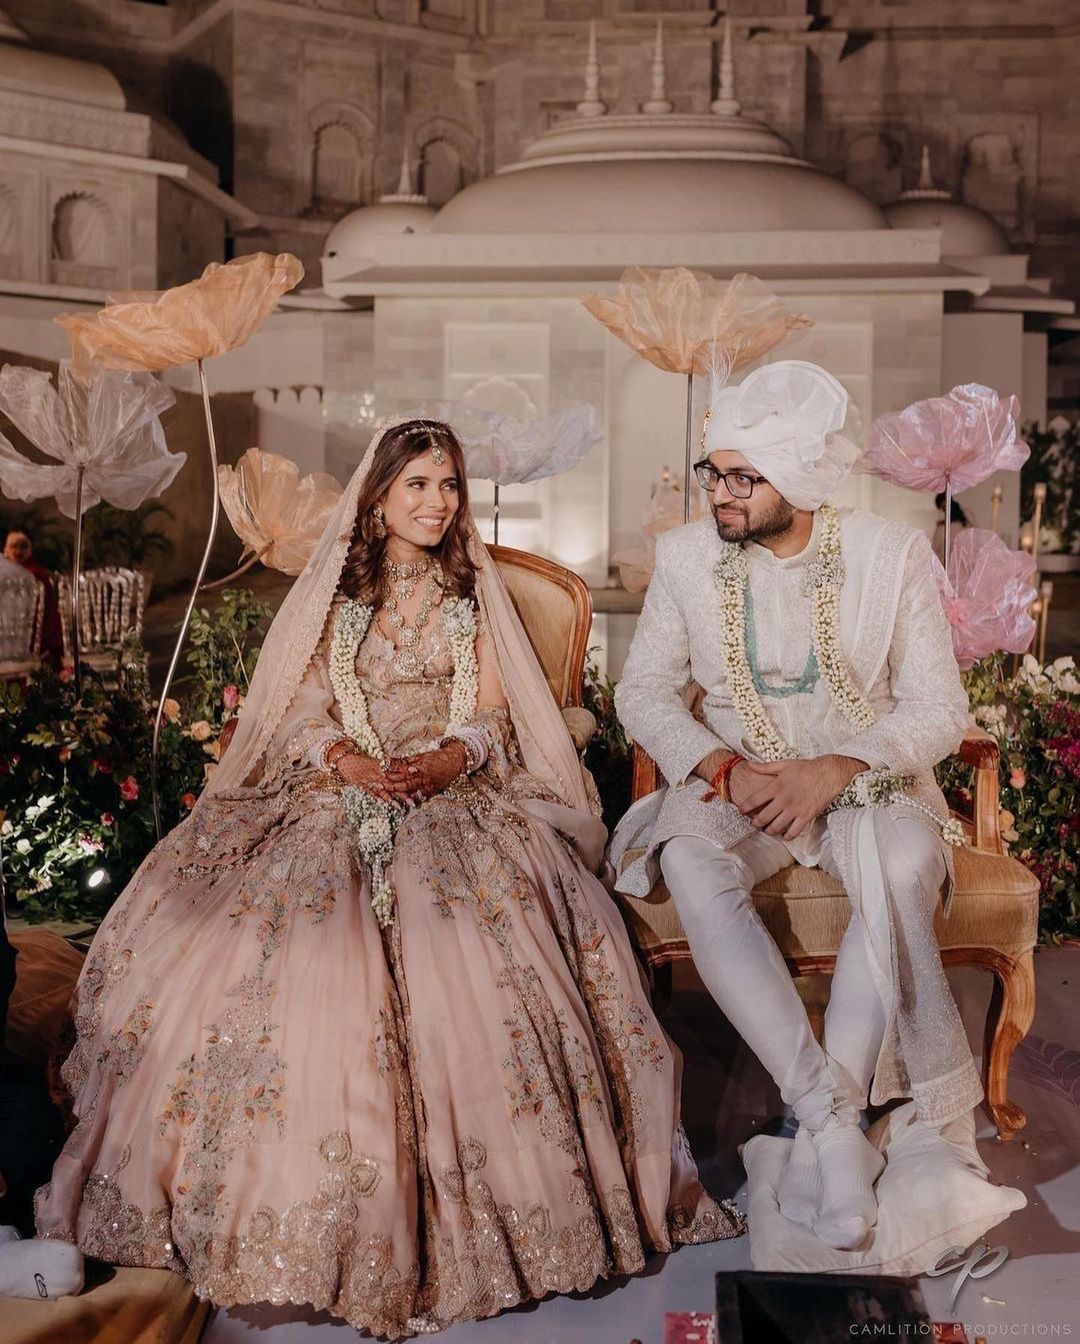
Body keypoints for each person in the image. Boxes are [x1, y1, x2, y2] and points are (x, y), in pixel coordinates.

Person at [35, 419, 741, 1337]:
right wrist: (346, 760)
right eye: (417, 485)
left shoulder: (472, 592)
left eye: (448, 485)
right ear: (377, 496)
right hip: (341, 784)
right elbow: (300, 705)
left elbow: (497, 710)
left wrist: (451, 760)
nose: (438, 502)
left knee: (488, 928)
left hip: (452, 793)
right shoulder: (337, 592)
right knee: (262, 940)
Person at [612, 361, 982, 1253]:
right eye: (715, 473)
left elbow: (941, 710)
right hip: (736, 784)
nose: (722, 495)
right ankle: (830, 1124)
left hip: (866, 781)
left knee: (895, 863)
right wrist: (721, 767)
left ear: (803, 482)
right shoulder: (686, 558)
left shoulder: (890, 556)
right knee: (693, 860)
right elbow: (643, 692)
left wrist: (837, 767)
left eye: (744, 478)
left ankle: (832, 1116)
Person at [3, 529, 64, 670]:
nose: (18, 551)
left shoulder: (35, 575)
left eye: (23, 546)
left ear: (30, 550)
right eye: (14, 546)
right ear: (5, 549)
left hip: (38, 644)